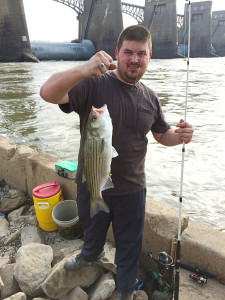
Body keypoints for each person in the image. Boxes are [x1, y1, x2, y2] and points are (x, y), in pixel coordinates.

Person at [40, 25, 194, 300]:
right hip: (92, 180)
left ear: (149, 56)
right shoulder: (95, 83)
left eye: (141, 53)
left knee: (129, 245)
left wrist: (179, 136)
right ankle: (90, 254)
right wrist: (82, 69)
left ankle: (124, 289)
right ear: (117, 54)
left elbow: (161, 134)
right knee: (92, 229)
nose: (134, 59)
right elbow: (48, 93)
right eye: (128, 52)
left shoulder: (150, 97)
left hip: (133, 189)